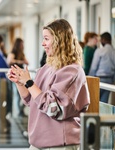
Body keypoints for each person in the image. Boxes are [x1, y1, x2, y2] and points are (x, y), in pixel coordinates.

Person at [7, 19, 90, 149]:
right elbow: (31, 100)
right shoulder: (48, 67)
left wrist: (29, 82)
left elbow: (54, 109)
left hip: (59, 144)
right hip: (39, 142)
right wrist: (20, 82)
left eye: (46, 39)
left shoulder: (72, 71)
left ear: (59, 41)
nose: (43, 43)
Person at [89, 32, 115, 103]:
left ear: (104, 40)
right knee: (104, 103)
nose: (101, 42)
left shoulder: (99, 51)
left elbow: (93, 68)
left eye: (101, 40)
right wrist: (112, 79)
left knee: (94, 103)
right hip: (109, 81)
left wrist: (90, 79)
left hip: (98, 80)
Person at [7, 38, 29, 118]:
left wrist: (22, 60)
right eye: (21, 44)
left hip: (21, 76)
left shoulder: (21, 53)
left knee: (24, 94)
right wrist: (20, 61)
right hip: (14, 76)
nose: (22, 46)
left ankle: (21, 111)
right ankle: (18, 111)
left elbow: (27, 62)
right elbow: (9, 61)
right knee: (17, 94)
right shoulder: (13, 52)